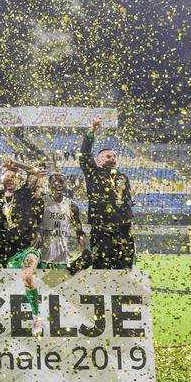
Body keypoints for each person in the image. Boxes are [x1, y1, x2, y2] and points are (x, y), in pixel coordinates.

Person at [69, 116, 135, 271]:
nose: (113, 159)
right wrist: (91, 131)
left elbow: (127, 202)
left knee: (125, 271)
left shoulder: (123, 177)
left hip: (124, 232)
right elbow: (85, 155)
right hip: (102, 231)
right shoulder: (94, 174)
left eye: (114, 156)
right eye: (108, 156)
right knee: (102, 272)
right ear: (98, 161)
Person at [0, 166, 44, 266]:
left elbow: (35, 172)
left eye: (13, 177)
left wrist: (15, 163)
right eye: (7, 176)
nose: (10, 179)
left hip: (23, 246)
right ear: (1, 179)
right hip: (3, 247)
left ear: (18, 180)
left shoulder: (23, 194)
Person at [37, 171, 87, 268]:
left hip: (63, 260)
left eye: (61, 182)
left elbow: (79, 232)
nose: (58, 185)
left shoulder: (72, 206)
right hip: (42, 259)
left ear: (66, 185)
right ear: (49, 185)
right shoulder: (41, 202)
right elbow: (34, 226)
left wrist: (86, 250)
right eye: (54, 182)